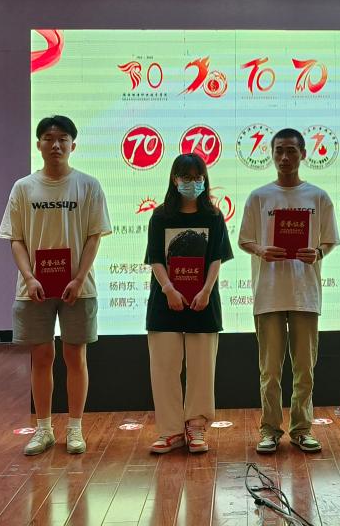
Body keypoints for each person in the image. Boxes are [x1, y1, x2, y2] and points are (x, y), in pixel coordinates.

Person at [0, 115, 112, 456]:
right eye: (49, 138)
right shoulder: (23, 187)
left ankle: (75, 429)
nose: (56, 144)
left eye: (63, 138)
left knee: (75, 355)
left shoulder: (88, 185)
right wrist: (30, 277)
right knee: (41, 356)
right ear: (39, 145)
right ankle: (44, 429)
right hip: (34, 288)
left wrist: (79, 278)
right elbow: (15, 239)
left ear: (73, 145)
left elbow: (94, 236)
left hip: (79, 287)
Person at [238, 128, 340, 454]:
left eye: (291, 151)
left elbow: (329, 240)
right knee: (269, 371)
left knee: (304, 369)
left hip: (304, 294)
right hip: (268, 293)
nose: (284, 157)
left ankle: (301, 429)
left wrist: (319, 253)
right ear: (271, 154)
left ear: (303, 154)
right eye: (279, 150)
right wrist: (261, 250)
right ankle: (269, 429)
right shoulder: (259, 197)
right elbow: (244, 239)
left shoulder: (318, 197)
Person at [143, 153, 233, 454]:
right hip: (164, 302)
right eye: (186, 178)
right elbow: (155, 258)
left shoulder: (214, 216)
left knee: (201, 369)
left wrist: (206, 291)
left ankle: (196, 427)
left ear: (204, 180)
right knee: (164, 368)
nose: (192, 183)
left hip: (202, 302)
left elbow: (216, 258)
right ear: (174, 179)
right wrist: (168, 289)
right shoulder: (160, 216)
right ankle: (170, 431)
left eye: (197, 178)